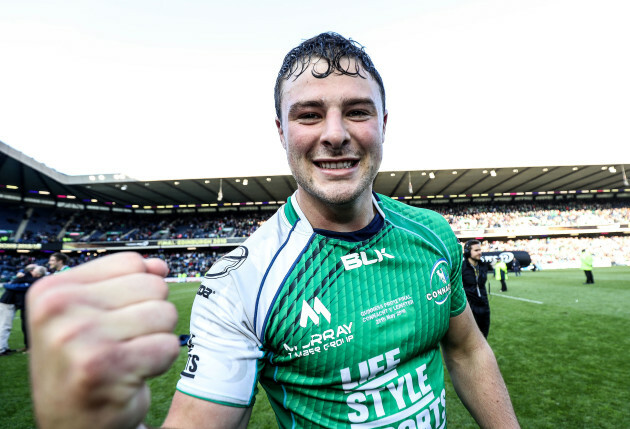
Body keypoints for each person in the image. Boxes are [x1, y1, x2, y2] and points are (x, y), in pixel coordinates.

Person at [27, 32, 519, 428]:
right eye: (309, 114)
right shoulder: (239, 284)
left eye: (356, 110)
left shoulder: (432, 232)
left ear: (383, 123)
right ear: (281, 132)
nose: (334, 133)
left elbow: (468, 350)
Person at [461, 240, 491, 338]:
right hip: (470, 309)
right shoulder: (462, 268)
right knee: (470, 340)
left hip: (484, 306)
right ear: (467, 251)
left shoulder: (483, 266)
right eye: (476, 250)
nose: (480, 252)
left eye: (480, 250)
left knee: (484, 337)